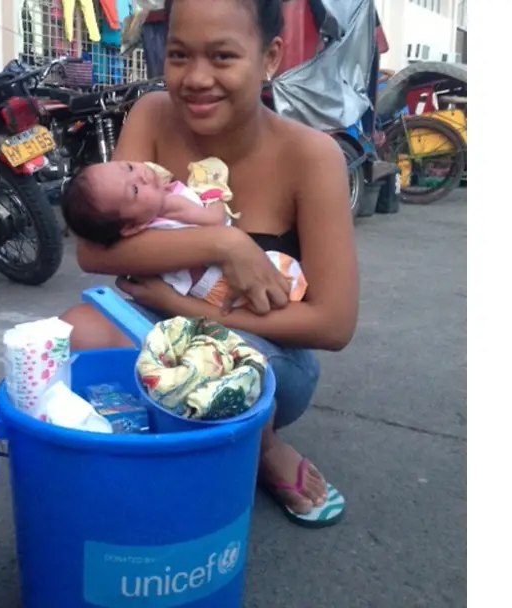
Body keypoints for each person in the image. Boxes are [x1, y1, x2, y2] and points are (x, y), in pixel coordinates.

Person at [58, 0, 359, 526]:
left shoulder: (311, 157)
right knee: (69, 339)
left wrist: (185, 307)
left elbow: (332, 324)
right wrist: (226, 245)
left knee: (219, 371)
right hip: (155, 326)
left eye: (222, 57)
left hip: (260, 348)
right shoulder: (152, 114)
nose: (196, 79)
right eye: (178, 55)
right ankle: (152, 450)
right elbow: (97, 249)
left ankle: (263, 451)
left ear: (270, 57)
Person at [60, 158, 308, 310]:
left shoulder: (145, 219)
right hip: (221, 285)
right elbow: (215, 221)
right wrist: (214, 193)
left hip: (203, 289)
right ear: (131, 227)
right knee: (278, 284)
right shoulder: (169, 206)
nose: (142, 174)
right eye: (135, 190)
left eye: (128, 166)